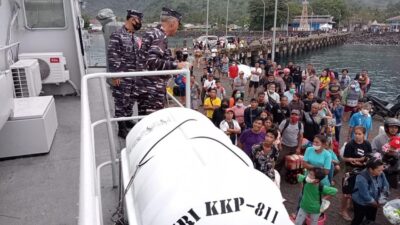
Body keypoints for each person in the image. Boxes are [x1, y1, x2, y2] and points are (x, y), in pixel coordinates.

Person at [136, 7, 186, 115]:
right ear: (172, 24)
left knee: (145, 121)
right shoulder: (160, 36)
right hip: (152, 89)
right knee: (152, 123)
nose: (178, 28)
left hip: (144, 87)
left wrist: (172, 60)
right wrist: (176, 65)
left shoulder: (152, 32)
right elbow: (152, 61)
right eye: (178, 25)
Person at [107, 9, 143, 138]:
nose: (140, 23)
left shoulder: (133, 36)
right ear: (132, 19)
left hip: (134, 76)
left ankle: (127, 120)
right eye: (139, 20)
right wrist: (115, 75)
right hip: (122, 76)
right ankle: (121, 128)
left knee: (130, 100)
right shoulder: (118, 35)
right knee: (121, 101)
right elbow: (113, 56)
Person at [341, 126, 373, 221]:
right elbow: (345, 158)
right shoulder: (350, 144)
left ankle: (351, 206)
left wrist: (363, 162)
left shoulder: (367, 144)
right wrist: (358, 160)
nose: (357, 136)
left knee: (356, 190)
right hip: (350, 170)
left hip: (362, 171)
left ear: (364, 134)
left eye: (359, 134)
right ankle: (343, 210)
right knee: (346, 192)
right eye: (356, 133)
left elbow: (369, 156)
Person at [351, 159, 389, 225]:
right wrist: (375, 204)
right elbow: (365, 195)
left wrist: (382, 199)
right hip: (361, 202)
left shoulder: (381, 173)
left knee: (371, 219)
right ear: (371, 169)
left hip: (374, 201)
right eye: (379, 170)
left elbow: (385, 186)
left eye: (382, 170)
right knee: (358, 219)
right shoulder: (361, 177)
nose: (381, 172)